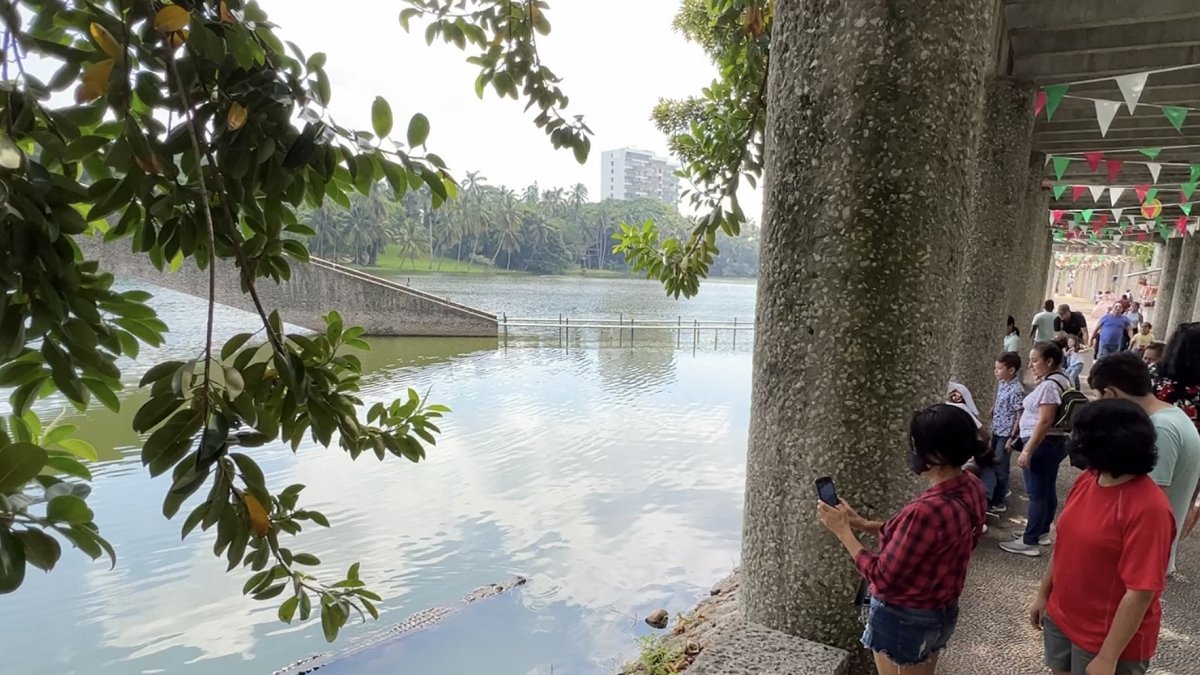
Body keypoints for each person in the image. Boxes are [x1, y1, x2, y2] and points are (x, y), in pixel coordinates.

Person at [818, 404, 987, 673]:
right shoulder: (972, 486)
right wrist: (862, 524)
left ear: (934, 455)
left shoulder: (926, 511)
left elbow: (881, 575)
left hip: (905, 619)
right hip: (942, 610)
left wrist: (844, 532)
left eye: (915, 444)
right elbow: (924, 540)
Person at [1028, 400, 1175, 675]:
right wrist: (1043, 593)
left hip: (1108, 637)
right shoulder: (1089, 479)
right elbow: (1065, 543)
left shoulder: (1148, 508)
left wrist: (1108, 656)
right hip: (1063, 617)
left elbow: (1141, 591)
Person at [1090, 353, 1200, 576]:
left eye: (1099, 397)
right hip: (1145, 556)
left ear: (1111, 393)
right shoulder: (1173, 415)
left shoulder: (1160, 429)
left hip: (1136, 560)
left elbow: (1146, 501)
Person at [1000, 342, 1070, 557]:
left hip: (1042, 443)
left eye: (1034, 360)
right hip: (1054, 443)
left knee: (1036, 493)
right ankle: (1040, 531)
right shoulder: (1063, 378)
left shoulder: (1050, 386)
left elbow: (1045, 420)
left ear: (1049, 361)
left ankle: (1029, 540)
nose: (1030, 365)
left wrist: (1028, 449)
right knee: (1046, 489)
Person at [1153, 323, 1200, 540]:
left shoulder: (1153, 375)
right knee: (1184, 503)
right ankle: (1167, 552)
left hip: (1150, 448)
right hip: (1193, 454)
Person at [985, 352, 1024, 515]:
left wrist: (1012, 437)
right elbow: (999, 400)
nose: (996, 371)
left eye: (999, 368)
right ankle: (1000, 491)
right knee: (993, 462)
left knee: (1001, 466)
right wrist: (993, 409)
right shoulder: (1002, 383)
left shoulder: (1017, 390)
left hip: (1006, 433)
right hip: (996, 429)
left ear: (1011, 370)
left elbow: (1019, 414)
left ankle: (999, 501)